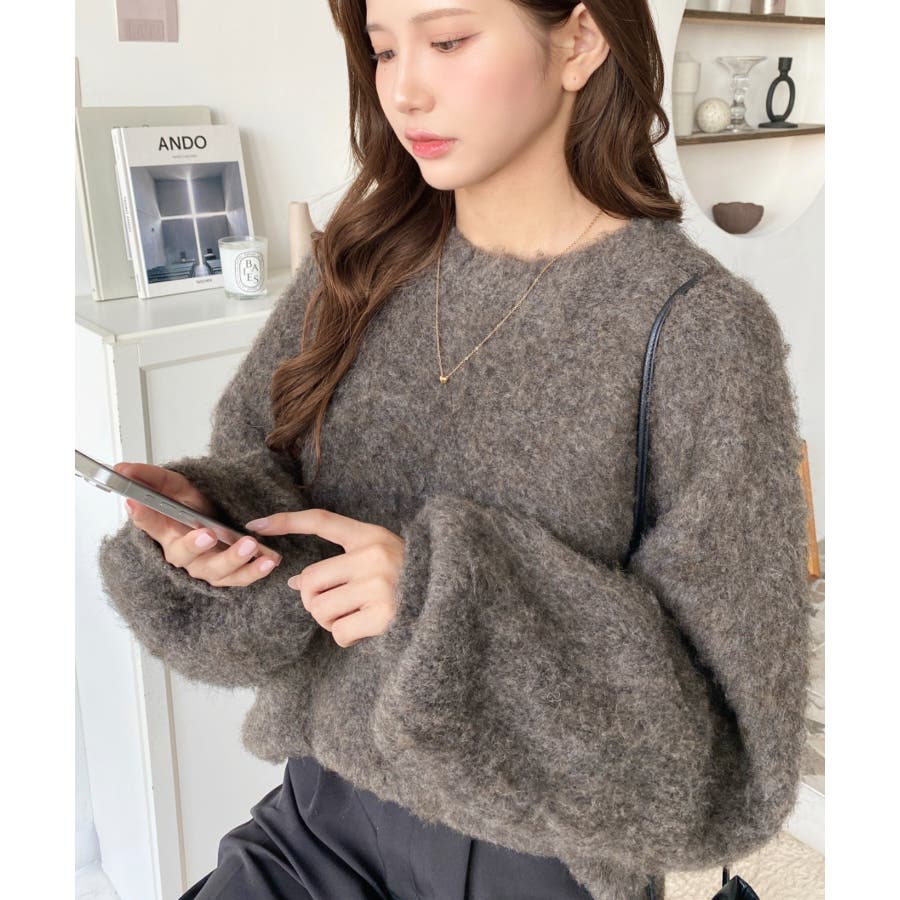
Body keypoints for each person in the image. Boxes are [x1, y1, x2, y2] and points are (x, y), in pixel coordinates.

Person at [96, 1, 813, 898]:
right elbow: (273, 490)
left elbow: (726, 761)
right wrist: (218, 524)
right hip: (317, 822)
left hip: (535, 858)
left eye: (447, 41)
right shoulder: (355, 267)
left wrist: (440, 600)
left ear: (580, 40)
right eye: (382, 50)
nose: (403, 91)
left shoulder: (696, 330)